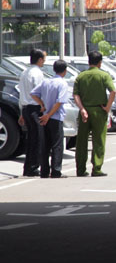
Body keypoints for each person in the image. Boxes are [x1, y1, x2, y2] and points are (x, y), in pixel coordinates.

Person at [73, 51, 116, 177]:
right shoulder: (104, 75)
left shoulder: (81, 76)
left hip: (84, 111)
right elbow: (113, 91)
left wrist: (82, 109)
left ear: (89, 62)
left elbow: (76, 94)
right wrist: (107, 107)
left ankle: (80, 170)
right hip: (99, 111)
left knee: (81, 142)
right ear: (100, 62)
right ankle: (96, 168)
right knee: (98, 141)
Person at [30, 60, 70, 178]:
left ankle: (44, 171)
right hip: (55, 117)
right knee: (57, 145)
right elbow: (59, 102)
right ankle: (56, 171)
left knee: (45, 144)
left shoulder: (46, 81)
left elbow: (33, 93)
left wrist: (42, 105)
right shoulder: (62, 83)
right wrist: (49, 114)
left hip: (45, 117)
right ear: (65, 71)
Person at [18, 49, 46, 177]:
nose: (44, 61)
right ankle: (34, 168)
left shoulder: (24, 72)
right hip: (35, 109)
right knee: (37, 140)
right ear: (39, 59)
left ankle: (28, 167)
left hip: (25, 108)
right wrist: (43, 105)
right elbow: (39, 93)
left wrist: (21, 113)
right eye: (44, 59)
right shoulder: (37, 73)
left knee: (31, 140)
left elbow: (21, 94)